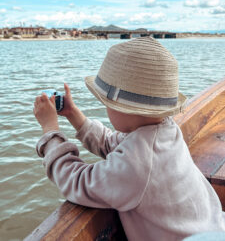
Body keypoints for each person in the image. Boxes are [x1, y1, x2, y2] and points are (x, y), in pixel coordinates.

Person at [33, 37, 225, 241]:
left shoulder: (137, 164)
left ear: (120, 106)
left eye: (105, 102)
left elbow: (76, 181)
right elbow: (111, 143)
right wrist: (73, 115)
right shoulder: (164, 131)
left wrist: (49, 130)